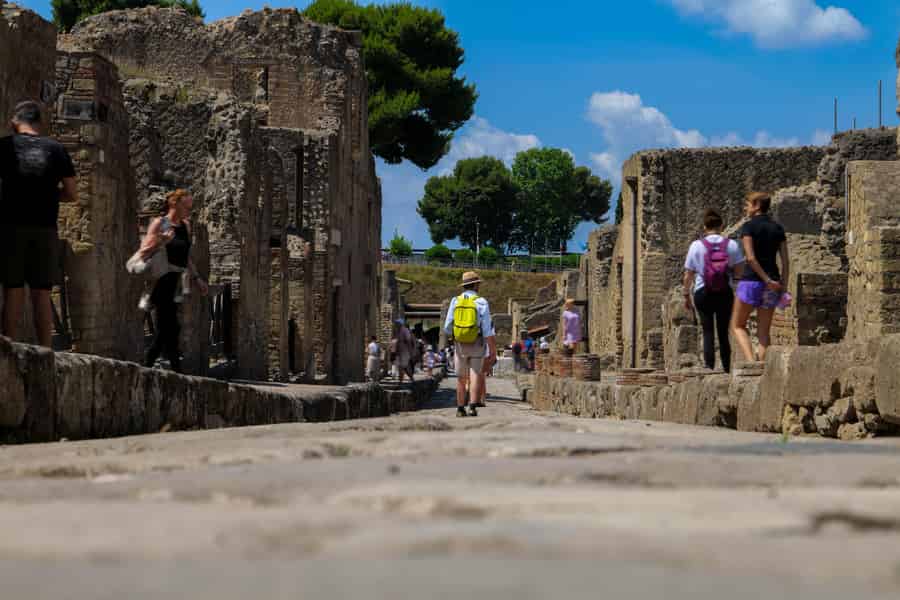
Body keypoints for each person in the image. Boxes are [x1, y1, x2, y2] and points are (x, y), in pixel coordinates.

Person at [0, 101, 78, 347]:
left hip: (11, 227)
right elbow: (72, 193)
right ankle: (46, 353)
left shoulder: (4, 146)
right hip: (45, 229)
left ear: (15, 121)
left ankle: (8, 350)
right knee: (42, 292)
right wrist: (47, 194)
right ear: (39, 123)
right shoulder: (56, 149)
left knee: (13, 289)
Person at [141, 189, 208, 372]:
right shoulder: (159, 224)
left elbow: (187, 257)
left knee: (168, 326)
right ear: (174, 204)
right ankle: (165, 365)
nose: (188, 210)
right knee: (169, 325)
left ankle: (154, 364)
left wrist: (197, 279)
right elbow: (146, 251)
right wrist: (161, 242)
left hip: (179, 281)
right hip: (162, 278)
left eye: (189, 207)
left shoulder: (185, 226)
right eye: (186, 206)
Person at [683, 209, 745, 372]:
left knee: (707, 331)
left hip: (702, 292)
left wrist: (686, 295)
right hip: (724, 292)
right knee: (724, 332)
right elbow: (739, 271)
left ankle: (709, 368)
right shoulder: (731, 245)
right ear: (721, 225)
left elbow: (688, 275)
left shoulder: (696, 246)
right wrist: (735, 286)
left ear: (704, 226)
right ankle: (726, 368)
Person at [732, 192, 790, 363]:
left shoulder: (748, 227)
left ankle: (751, 363)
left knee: (737, 325)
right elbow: (786, 261)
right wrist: (782, 285)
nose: (745, 207)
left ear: (757, 205)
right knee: (764, 332)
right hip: (773, 284)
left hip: (751, 281)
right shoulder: (778, 228)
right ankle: (764, 369)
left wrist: (766, 280)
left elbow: (750, 258)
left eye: (747, 204)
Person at [444, 271, 496, 417]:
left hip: (460, 343)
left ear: (464, 285)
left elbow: (447, 327)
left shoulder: (455, 301)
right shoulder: (481, 302)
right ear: (476, 285)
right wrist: (492, 349)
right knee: (475, 373)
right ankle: (472, 407)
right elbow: (487, 329)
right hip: (477, 342)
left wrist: (458, 334)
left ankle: (460, 408)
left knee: (461, 377)